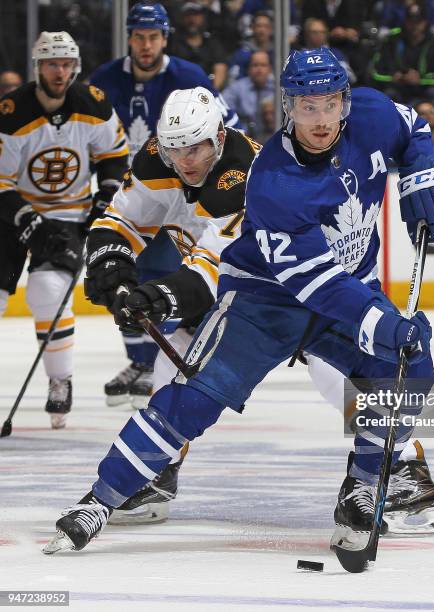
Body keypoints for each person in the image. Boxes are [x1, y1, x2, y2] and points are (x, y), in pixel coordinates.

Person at [44, 48, 434, 555]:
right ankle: (100, 498)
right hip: (265, 303)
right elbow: (315, 284)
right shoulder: (273, 180)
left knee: (407, 366)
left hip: (346, 288)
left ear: (345, 101)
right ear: (288, 107)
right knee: (192, 395)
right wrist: (379, 320)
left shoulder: (371, 113)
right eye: (307, 107)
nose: (320, 119)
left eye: (329, 104)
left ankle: (368, 485)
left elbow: (412, 127)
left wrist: (422, 172)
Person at [89, 2, 241, 409]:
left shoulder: (190, 79)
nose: (145, 44)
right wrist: (107, 249)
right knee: (128, 278)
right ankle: (143, 370)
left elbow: (214, 266)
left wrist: (162, 298)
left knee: (170, 274)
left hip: (293, 294)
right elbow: (120, 213)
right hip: (146, 189)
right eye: (138, 36)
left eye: (153, 36)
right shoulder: (105, 81)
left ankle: (400, 452)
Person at [0, 32, 128, 429]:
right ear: (37, 68)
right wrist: (26, 220)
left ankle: (60, 380)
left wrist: (104, 197)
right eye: (52, 64)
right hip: (11, 214)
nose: (60, 71)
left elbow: (114, 157)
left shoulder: (95, 103)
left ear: (75, 67)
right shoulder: (10, 112)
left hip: (69, 215)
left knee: (49, 292)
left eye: (66, 64)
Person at [371, 3, 434, 104]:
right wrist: (394, 77)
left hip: (424, 89)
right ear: (405, 21)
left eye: (418, 22)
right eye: (410, 21)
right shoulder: (391, 41)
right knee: (387, 94)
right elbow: (376, 72)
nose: (414, 26)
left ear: (425, 22)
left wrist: (420, 79)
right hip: (398, 87)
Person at [167, 2, 228, 90]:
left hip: (208, 91)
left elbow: (220, 68)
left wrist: (212, 93)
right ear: (183, 18)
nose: (192, 19)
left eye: (196, 15)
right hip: (178, 91)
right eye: (188, 15)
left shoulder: (212, 43)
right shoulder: (173, 42)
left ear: (202, 17)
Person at [222, 50, 275, 140]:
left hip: (273, 139)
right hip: (244, 140)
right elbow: (222, 109)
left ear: (269, 68)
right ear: (249, 69)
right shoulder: (237, 88)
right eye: (255, 65)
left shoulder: (278, 88)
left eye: (263, 65)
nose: (259, 69)